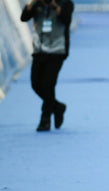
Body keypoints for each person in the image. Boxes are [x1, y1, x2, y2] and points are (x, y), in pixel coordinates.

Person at [21, 0, 74, 131]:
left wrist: (54, 6)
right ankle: (58, 107)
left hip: (57, 51)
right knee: (35, 84)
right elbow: (24, 17)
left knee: (48, 84)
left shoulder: (66, 3)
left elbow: (66, 19)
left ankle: (45, 119)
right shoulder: (37, 4)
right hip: (39, 50)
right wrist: (32, 3)